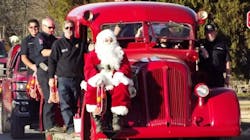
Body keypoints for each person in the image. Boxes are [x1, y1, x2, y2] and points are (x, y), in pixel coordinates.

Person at [84, 29, 134, 133]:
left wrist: (120, 75)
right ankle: (98, 120)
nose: (108, 42)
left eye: (111, 40)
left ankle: (117, 119)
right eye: (106, 40)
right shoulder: (94, 54)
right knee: (93, 89)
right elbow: (88, 68)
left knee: (122, 87)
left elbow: (126, 67)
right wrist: (96, 77)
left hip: (115, 79)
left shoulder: (120, 53)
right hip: (101, 79)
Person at [48, 20, 85, 134]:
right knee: (65, 104)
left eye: (71, 28)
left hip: (77, 79)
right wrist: (51, 78)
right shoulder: (58, 44)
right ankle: (70, 128)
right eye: (67, 28)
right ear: (63, 29)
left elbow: (91, 48)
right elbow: (52, 61)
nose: (69, 30)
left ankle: (78, 126)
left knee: (75, 104)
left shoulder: (80, 43)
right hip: (63, 79)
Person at [34, 17, 62, 132]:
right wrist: (57, 51)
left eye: (54, 27)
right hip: (44, 71)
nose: (52, 30)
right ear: (44, 27)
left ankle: (54, 123)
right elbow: (44, 52)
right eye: (50, 27)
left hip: (53, 71)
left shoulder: (53, 39)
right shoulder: (40, 37)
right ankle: (49, 126)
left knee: (55, 98)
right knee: (49, 98)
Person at [198, 23, 231, 87]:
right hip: (203, 77)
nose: (209, 34)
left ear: (215, 32)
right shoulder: (201, 43)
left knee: (219, 95)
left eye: (211, 32)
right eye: (207, 32)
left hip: (218, 77)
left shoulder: (222, 44)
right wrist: (201, 48)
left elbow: (228, 62)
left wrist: (227, 77)